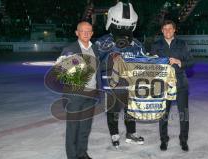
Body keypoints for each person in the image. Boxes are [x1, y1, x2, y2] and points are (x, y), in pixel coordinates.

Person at [95, 1, 145, 148]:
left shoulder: (136, 44)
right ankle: (114, 134)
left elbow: (144, 62)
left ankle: (131, 133)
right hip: (110, 87)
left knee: (131, 112)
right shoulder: (103, 42)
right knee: (112, 112)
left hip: (129, 86)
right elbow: (96, 62)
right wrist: (111, 56)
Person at [150, 20, 194, 151]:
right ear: (162, 30)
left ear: (175, 30)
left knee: (183, 114)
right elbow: (151, 64)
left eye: (170, 28)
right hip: (163, 85)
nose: (167, 31)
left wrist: (179, 62)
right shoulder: (156, 45)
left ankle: (183, 140)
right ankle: (164, 139)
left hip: (180, 83)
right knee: (163, 114)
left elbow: (191, 61)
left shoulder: (182, 44)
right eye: (165, 29)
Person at [61, 21, 100, 159]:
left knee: (85, 127)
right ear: (77, 33)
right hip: (75, 95)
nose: (86, 33)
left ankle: (82, 153)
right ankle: (72, 156)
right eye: (83, 31)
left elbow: (98, 71)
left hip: (91, 93)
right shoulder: (70, 49)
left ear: (92, 33)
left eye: (89, 31)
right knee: (73, 128)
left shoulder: (95, 49)